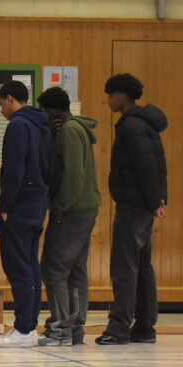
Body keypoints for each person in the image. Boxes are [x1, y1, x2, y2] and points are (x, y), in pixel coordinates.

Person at [97, 74, 167, 345]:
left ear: (122, 96)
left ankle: (118, 328)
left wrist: (154, 201)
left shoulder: (131, 126)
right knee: (142, 267)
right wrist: (159, 200)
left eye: (110, 95)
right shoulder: (145, 123)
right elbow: (156, 167)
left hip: (132, 206)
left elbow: (145, 168)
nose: (107, 101)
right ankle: (145, 327)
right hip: (143, 206)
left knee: (124, 268)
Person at [36, 87, 100, 346]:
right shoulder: (77, 129)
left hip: (72, 211)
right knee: (74, 271)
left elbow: (74, 175)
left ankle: (59, 330)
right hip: (85, 209)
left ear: (52, 111)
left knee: (53, 269)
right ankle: (74, 328)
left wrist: (59, 205)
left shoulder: (70, 132)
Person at [0, 80, 52, 348]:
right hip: (37, 202)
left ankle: (23, 328)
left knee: (18, 267)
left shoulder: (17, 125)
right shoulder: (43, 123)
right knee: (30, 265)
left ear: (10, 99)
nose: (1, 110)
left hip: (18, 206)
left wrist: (5, 206)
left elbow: (14, 170)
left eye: (1, 104)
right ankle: (29, 325)